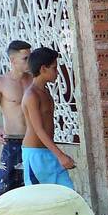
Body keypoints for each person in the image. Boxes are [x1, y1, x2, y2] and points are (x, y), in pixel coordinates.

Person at [22, 47, 75, 189]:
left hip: (49, 152)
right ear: (43, 69)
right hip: (36, 156)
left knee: (68, 194)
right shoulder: (31, 95)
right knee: (41, 202)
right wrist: (61, 155)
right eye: (54, 68)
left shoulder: (45, 92)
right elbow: (38, 130)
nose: (57, 72)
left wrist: (57, 154)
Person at [0, 39, 32, 197]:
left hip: (34, 140)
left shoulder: (33, 80)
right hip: (13, 140)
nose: (29, 62)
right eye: (25, 58)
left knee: (33, 186)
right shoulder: (1, 83)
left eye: (30, 57)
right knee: (5, 188)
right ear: (13, 60)